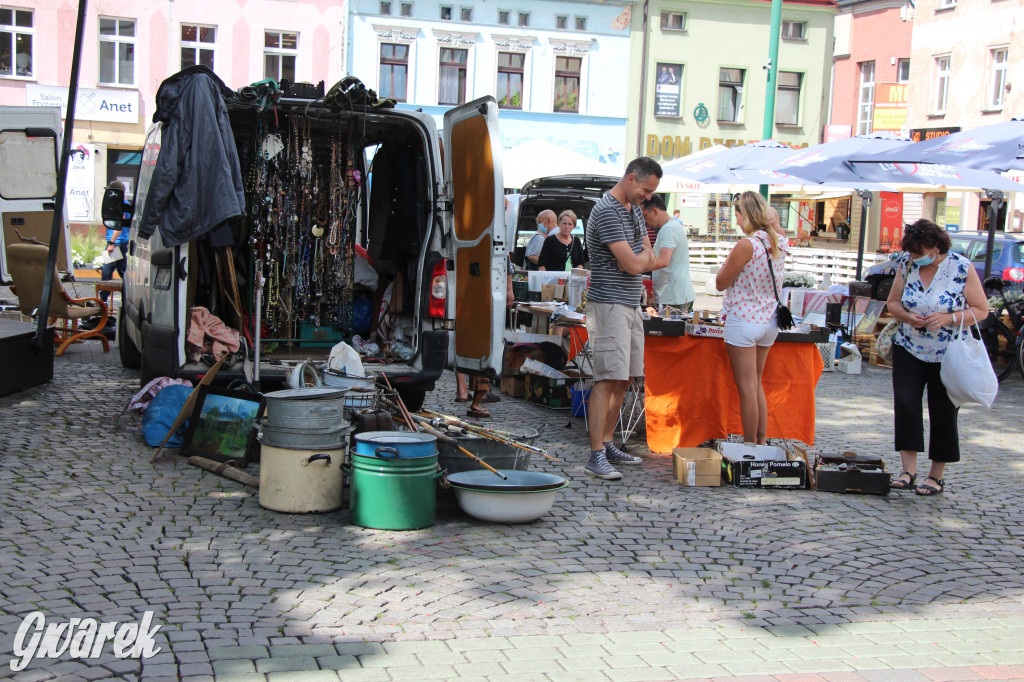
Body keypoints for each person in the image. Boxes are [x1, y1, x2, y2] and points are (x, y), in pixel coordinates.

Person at [886, 219, 988, 496]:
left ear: (935, 247)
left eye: (919, 252)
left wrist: (948, 318)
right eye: (911, 252)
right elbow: (892, 303)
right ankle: (908, 470)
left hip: (947, 352)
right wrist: (908, 316)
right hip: (909, 346)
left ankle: (935, 475)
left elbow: (981, 310)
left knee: (943, 410)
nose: (914, 257)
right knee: (906, 404)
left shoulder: (961, 267)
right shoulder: (907, 266)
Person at [583, 157, 661, 480]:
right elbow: (634, 264)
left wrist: (639, 258)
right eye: (645, 190)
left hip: (630, 305)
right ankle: (595, 454)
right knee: (605, 379)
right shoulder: (606, 211)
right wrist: (639, 258)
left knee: (625, 377)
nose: (648, 198)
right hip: (609, 305)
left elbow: (649, 258)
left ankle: (607, 441)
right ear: (630, 179)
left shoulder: (632, 212)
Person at [715, 191, 790, 445]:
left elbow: (720, 282)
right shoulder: (777, 241)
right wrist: (775, 220)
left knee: (746, 387)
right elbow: (779, 231)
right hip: (769, 321)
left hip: (744, 320)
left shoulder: (747, 245)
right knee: (756, 384)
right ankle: (760, 440)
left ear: (745, 214)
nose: (735, 220)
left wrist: (727, 264)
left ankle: (750, 446)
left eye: (737, 214)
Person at [642, 194, 694, 315]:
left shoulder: (668, 229)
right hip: (674, 295)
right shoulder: (672, 227)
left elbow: (664, 261)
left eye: (645, 216)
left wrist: (635, 267)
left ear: (654, 211)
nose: (644, 221)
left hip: (675, 296)